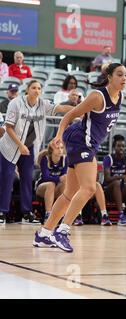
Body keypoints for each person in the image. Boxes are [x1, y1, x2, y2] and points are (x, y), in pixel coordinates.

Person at [33, 63, 126, 252]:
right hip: (79, 140)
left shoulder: (120, 97)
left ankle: (44, 233)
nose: (124, 78)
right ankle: (63, 231)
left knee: (70, 193)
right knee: (90, 187)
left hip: (87, 142)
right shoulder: (97, 96)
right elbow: (70, 114)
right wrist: (59, 135)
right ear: (109, 77)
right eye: (119, 75)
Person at [0, 80, 73, 225]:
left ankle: (26, 213)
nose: (37, 90)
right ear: (27, 90)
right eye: (33, 88)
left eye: (39, 88)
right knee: (7, 179)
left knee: (27, 179)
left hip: (28, 148)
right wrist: (20, 145)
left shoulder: (43, 104)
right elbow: (8, 127)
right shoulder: (15, 103)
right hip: (10, 146)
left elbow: (61, 108)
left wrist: (80, 110)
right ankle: (2, 212)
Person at [103, 135, 126, 227]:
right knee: (116, 183)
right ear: (114, 147)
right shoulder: (108, 159)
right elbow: (107, 179)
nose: (121, 148)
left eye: (123, 146)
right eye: (119, 146)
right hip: (109, 191)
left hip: (123, 191)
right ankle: (121, 215)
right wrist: (122, 177)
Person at [35, 144, 67, 224]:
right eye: (57, 148)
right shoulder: (45, 159)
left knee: (65, 183)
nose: (60, 150)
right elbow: (46, 177)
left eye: (61, 148)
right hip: (42, 187)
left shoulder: (65, 160)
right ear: (52, 150)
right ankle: (48, 215)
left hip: (56, 188)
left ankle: (62, 214)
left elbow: (64, 176)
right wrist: (58, 178)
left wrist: (62, 179)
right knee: (50, 184)